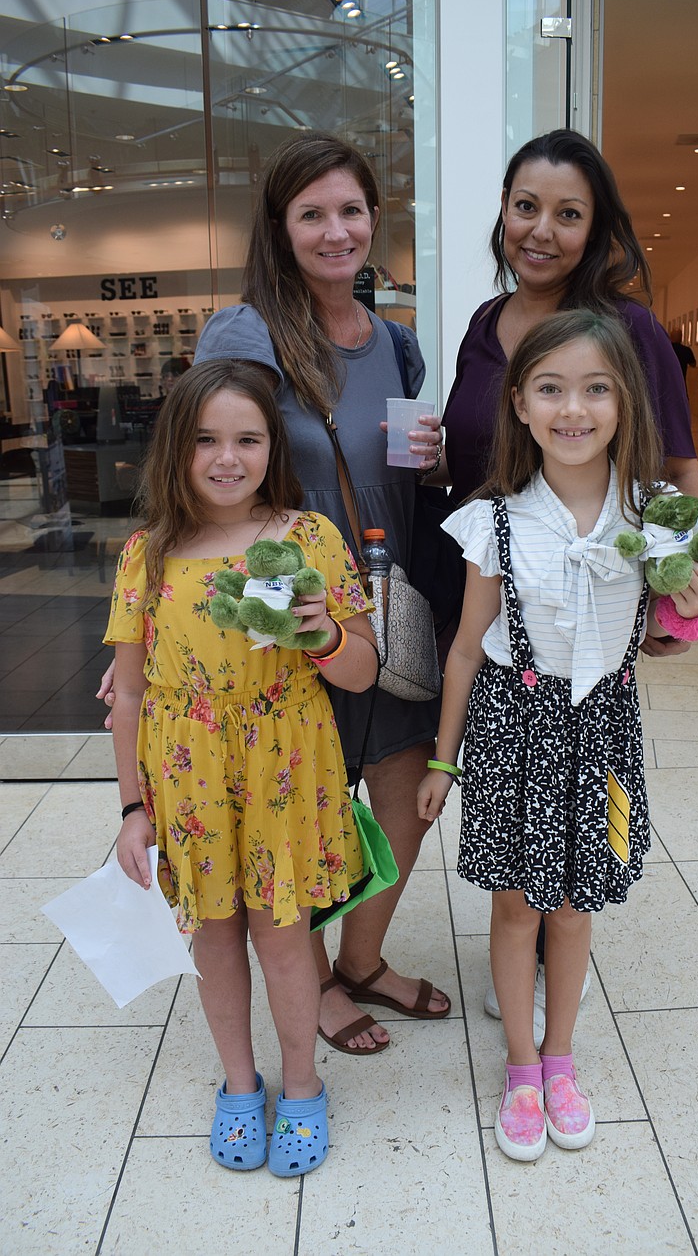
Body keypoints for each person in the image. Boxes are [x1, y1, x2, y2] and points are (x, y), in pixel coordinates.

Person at [164, 131, 448, 1052]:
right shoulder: (245, 332)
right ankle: (315, 978)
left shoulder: (398, 345)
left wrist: (433, 466)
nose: (337, 231)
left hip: (381, 601)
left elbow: (398, 477)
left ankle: (361, 960)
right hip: (284, 611)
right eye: (313, 214)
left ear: (374, 218)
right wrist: (155, 630)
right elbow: (207, 467)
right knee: (303, 798)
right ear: (281, 228)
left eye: (351, 210)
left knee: (404, 789)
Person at [417, 310, 698, 1161]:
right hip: (516, 732)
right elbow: (467, 649)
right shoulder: (498, 519)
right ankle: (520, 1064)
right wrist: (444, 757)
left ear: (627, 401)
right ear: (519, 404)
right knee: (516, 905)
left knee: (578, 908)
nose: (573, 408)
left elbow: (687, 618)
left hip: (606, 733)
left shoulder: (655, 514)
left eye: (596, 388)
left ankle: (560, 1057)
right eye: (550, 388)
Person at [433, 127, 698, 1036]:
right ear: (503, 213)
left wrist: (678, 589)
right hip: (490, 570)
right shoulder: (484, 322)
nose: (541, 229)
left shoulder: (624, 328)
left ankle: (554, 980)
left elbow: (677, 468)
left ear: (596, 229)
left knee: (583, 807)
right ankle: (519, 957)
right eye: (525, 207)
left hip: (582, 590)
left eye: (568, 213)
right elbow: (470, 446)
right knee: (513, 802)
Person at [107, 359, 378, 1176]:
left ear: (272, 446)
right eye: (206, 440)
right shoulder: (147, 555)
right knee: (214, 939)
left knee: (284, 939)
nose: (228, 458)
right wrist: (131, 808)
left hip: (283, 775)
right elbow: (127, 696)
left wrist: (324, 633)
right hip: (187, 780)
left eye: (247, 439)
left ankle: (301, 1086)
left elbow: (363, 670)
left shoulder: (309, 539)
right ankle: (238, 1082)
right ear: (176, 451)